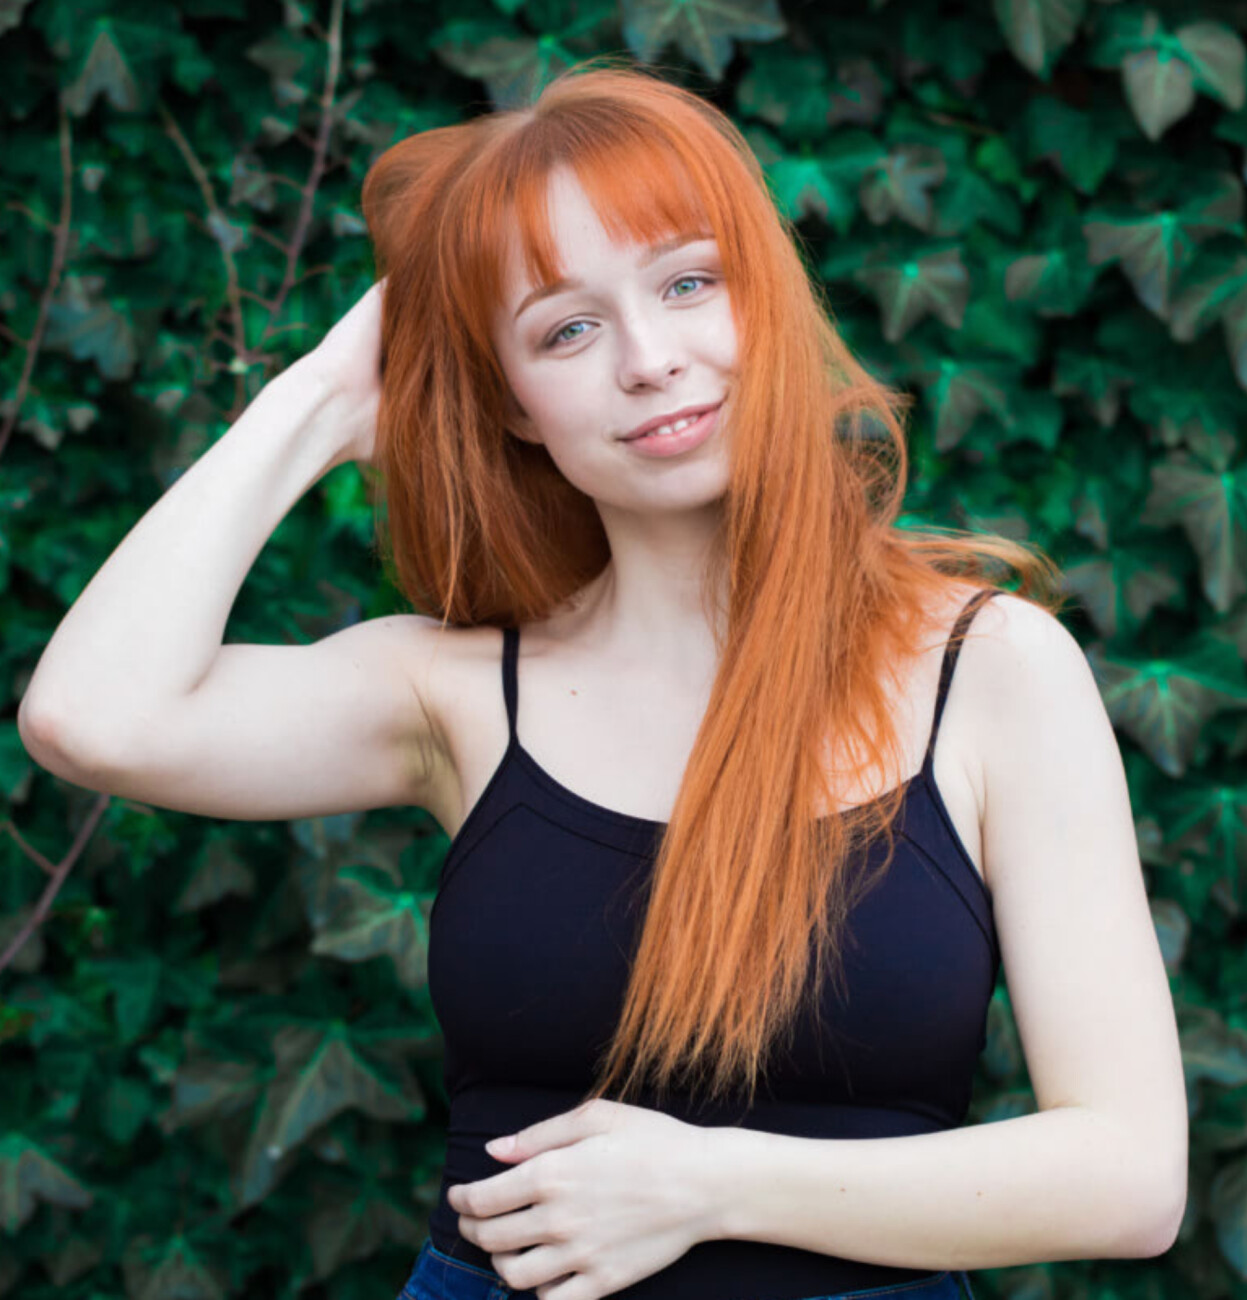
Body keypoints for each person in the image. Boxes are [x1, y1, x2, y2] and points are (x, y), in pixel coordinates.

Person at [19, 58, 1186, 1300]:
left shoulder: (989, 670)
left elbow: (1127, 1177)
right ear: (515, 405)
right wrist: (319, 397)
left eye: (689, 283)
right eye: (564, 329)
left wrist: (710, 1183)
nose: (648, 359)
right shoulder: (456, 692)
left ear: (766, 299)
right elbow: (93, 718)